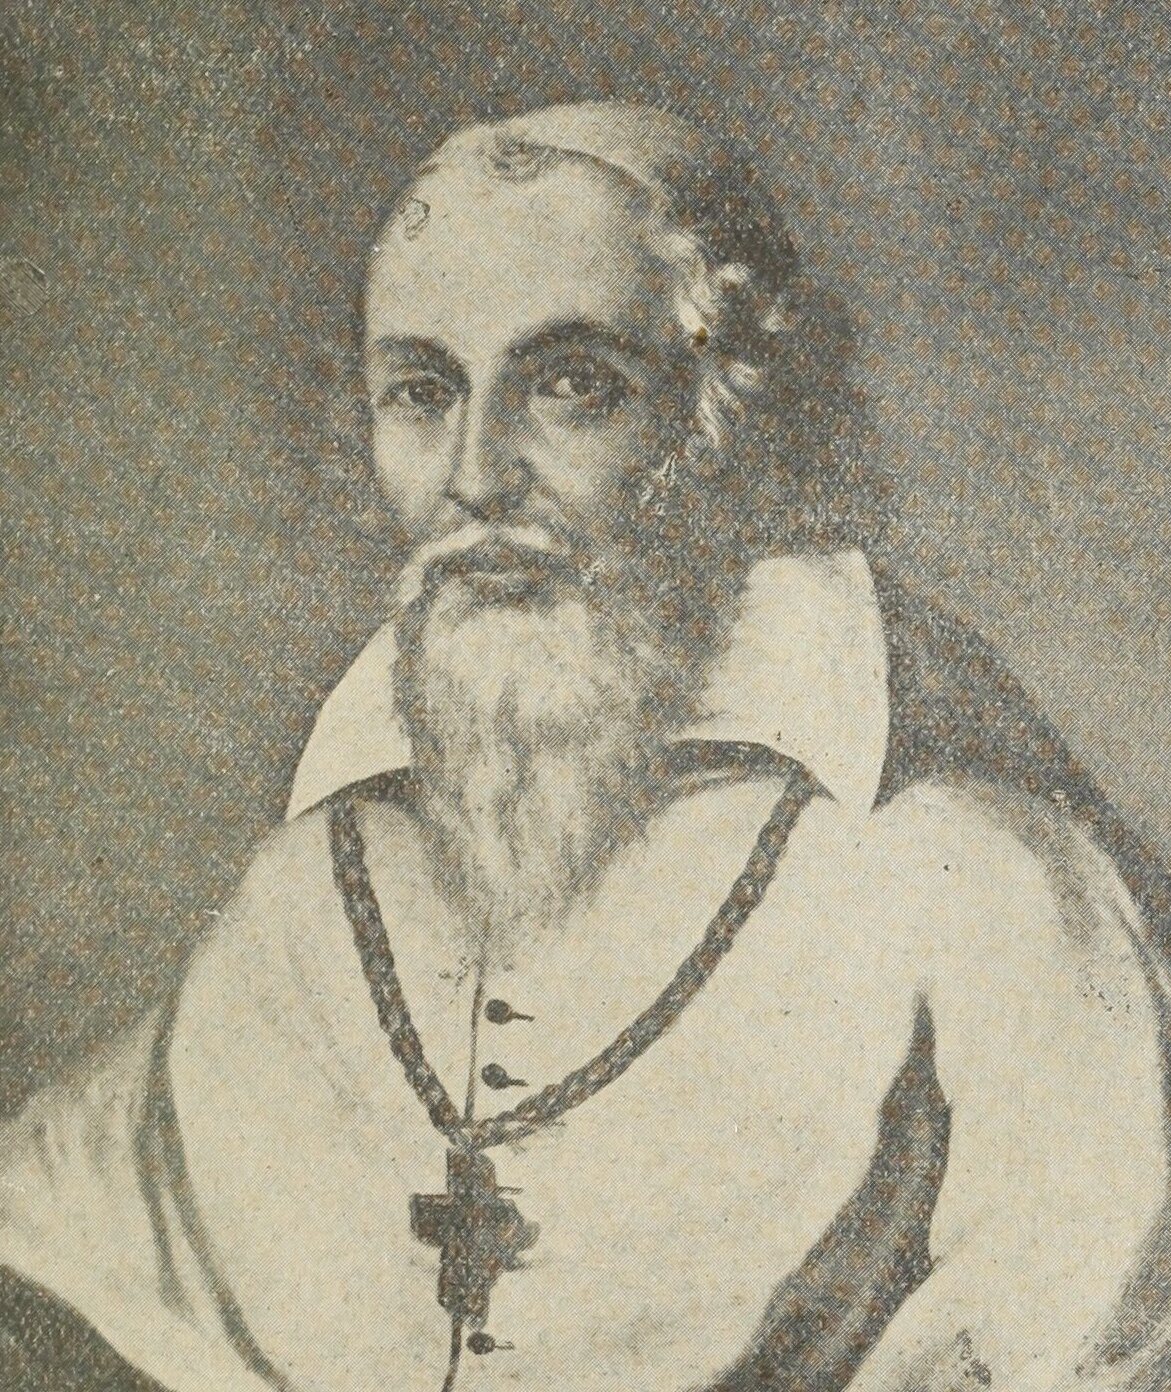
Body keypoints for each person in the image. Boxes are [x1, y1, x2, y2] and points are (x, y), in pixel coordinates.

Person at [2, 101, 1170, 1392]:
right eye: (422, 392)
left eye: (570, 386)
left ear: (721, 418)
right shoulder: (299, 896)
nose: (476, 477)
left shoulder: (976, 889)